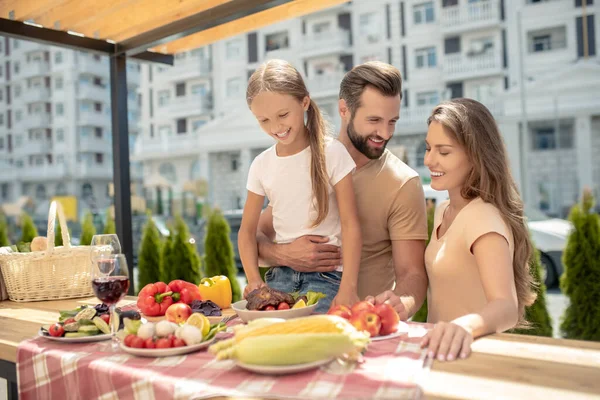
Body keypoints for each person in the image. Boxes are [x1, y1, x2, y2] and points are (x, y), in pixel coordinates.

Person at [255, 61, 429, 319]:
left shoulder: (403, 183)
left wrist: (402, 302)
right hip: (300, 318)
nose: (385, 132)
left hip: (361, 326)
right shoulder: (308, 161)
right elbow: (255, 236)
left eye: (392, 121)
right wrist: (285, 254)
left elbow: (412, 274)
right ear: (344, 109)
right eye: (374, 120)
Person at [238, 59, 362, 313]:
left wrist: (348, 287)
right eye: (264, 120)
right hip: (278, 280)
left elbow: (351, 223)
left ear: (304, 102)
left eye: (283, 115)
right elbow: (247, 231)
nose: (276, 127)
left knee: (313, 341)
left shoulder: (333, 153)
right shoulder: (261, 165)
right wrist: (253, 279)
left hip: (327, 280)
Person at [419, 98, 537, 362]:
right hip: (440, 356)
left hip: (471, 358)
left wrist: (463, 327)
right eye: (428, 148)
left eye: (444, 152)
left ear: (475, 156)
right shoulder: (444, 211)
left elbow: (506, 306)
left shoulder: (483, 217)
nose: (429, 160)